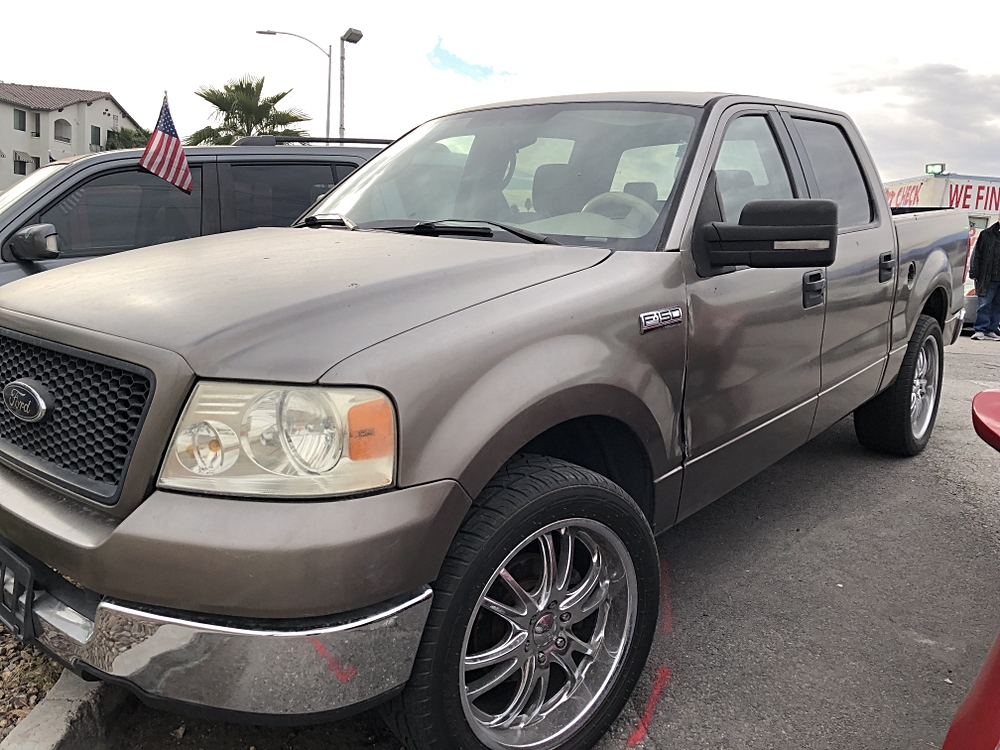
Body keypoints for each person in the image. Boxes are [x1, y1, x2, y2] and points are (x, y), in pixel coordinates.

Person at [968, 221, 1000, 340]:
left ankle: (991, 330)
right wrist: (974, 272)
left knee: (997, 306)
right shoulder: (986, 234)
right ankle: (980, 329)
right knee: (984, 304)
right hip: (987, 277)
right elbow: (977, 254)